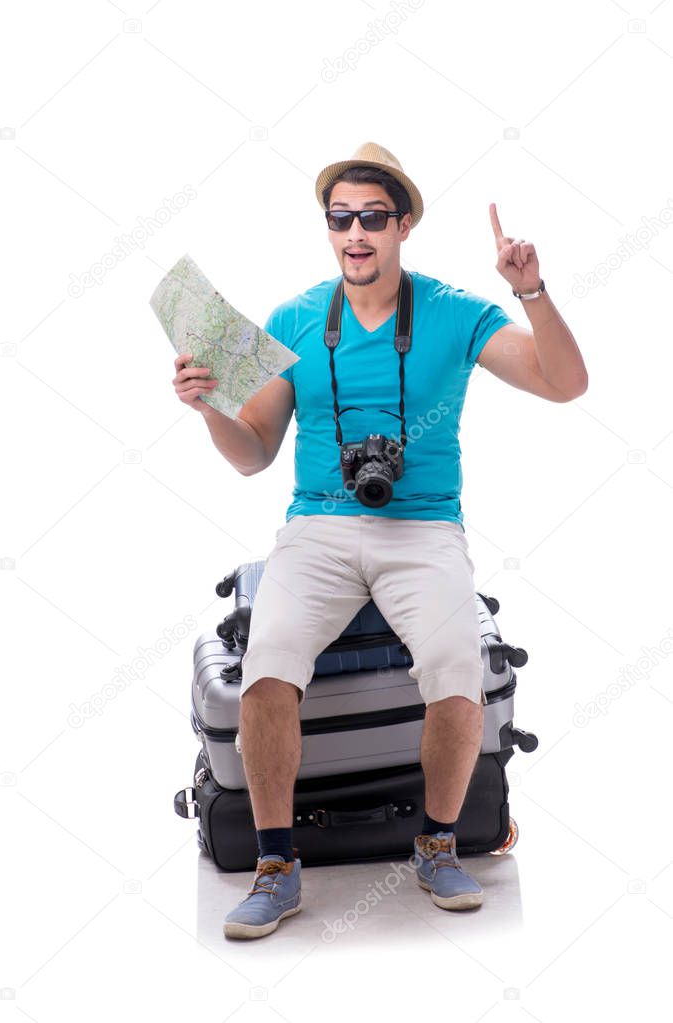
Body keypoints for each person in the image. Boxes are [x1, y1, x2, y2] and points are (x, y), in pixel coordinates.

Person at [172, 142, 588, 940]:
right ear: (327, 228)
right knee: (266, 670)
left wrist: (529, 291)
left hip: (424, 525)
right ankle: (273, 865)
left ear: (402, 226)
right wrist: (207, 409)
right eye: (340, 219)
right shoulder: (294, 319)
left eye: (371, 218)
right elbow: (254, 454)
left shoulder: (456, 311)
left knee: (456, 666)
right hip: (317, 525)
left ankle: (435, 844)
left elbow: (563, 384)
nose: (354, 233)